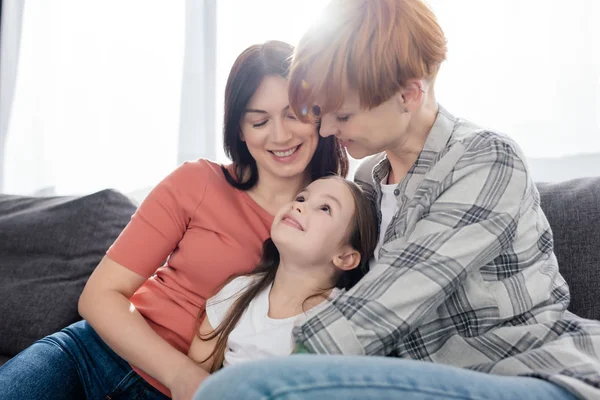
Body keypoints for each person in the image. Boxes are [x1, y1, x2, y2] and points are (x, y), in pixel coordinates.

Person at [192, 1, 600, 399]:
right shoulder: (368, 180)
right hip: (414, 377)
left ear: (408, 95)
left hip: (522, 371)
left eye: (344, 116)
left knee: (242, 388)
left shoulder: (485, 159)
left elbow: (397, 293)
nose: (329, 129)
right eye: (322, 112)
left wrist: (292, 366)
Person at [0, 40, 348, 400]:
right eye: (259, 121)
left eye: (293, 114)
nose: (280, 135)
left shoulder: (337, 221)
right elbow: (100, 296)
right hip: (91, 355)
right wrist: (179, 372)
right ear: (240, 131)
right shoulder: (198, 181)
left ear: (319, 114)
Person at [187, 176, 377, 375]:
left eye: (325, 208)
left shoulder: (342, 323)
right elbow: (192, 381)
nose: (298, 206)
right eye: (302, 198)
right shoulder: (238, 291)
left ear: (345, 258)